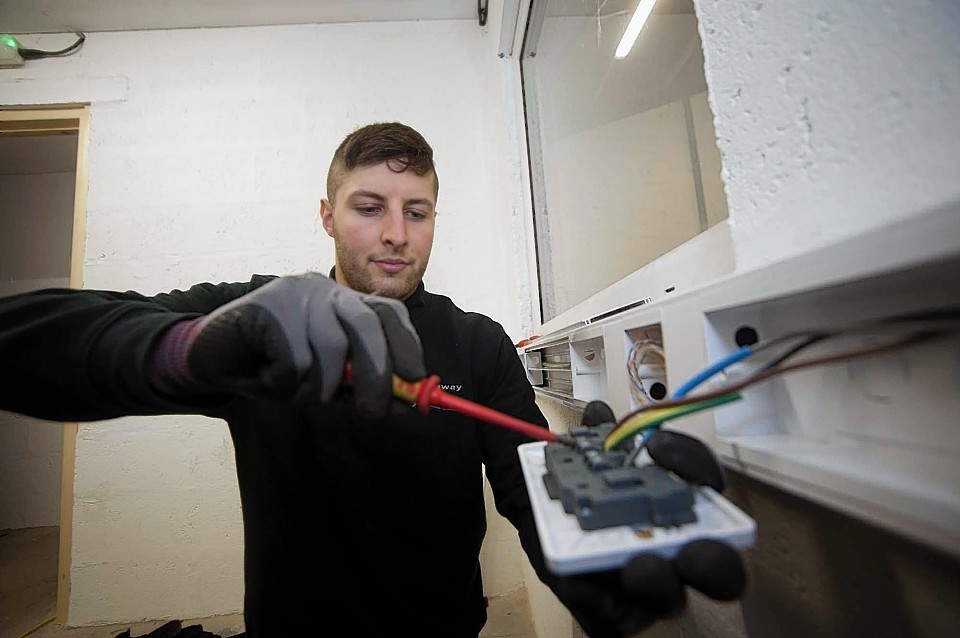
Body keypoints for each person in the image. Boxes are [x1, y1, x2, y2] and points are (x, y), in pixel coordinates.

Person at [0, 122, 745, 637]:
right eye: (369, 208)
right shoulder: (261, 322)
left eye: (417, 212)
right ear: (326, 215)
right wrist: (188, 350)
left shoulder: (477, 343)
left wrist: (590, 550)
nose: (396, 234)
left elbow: (532, 487)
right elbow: (22, 343)